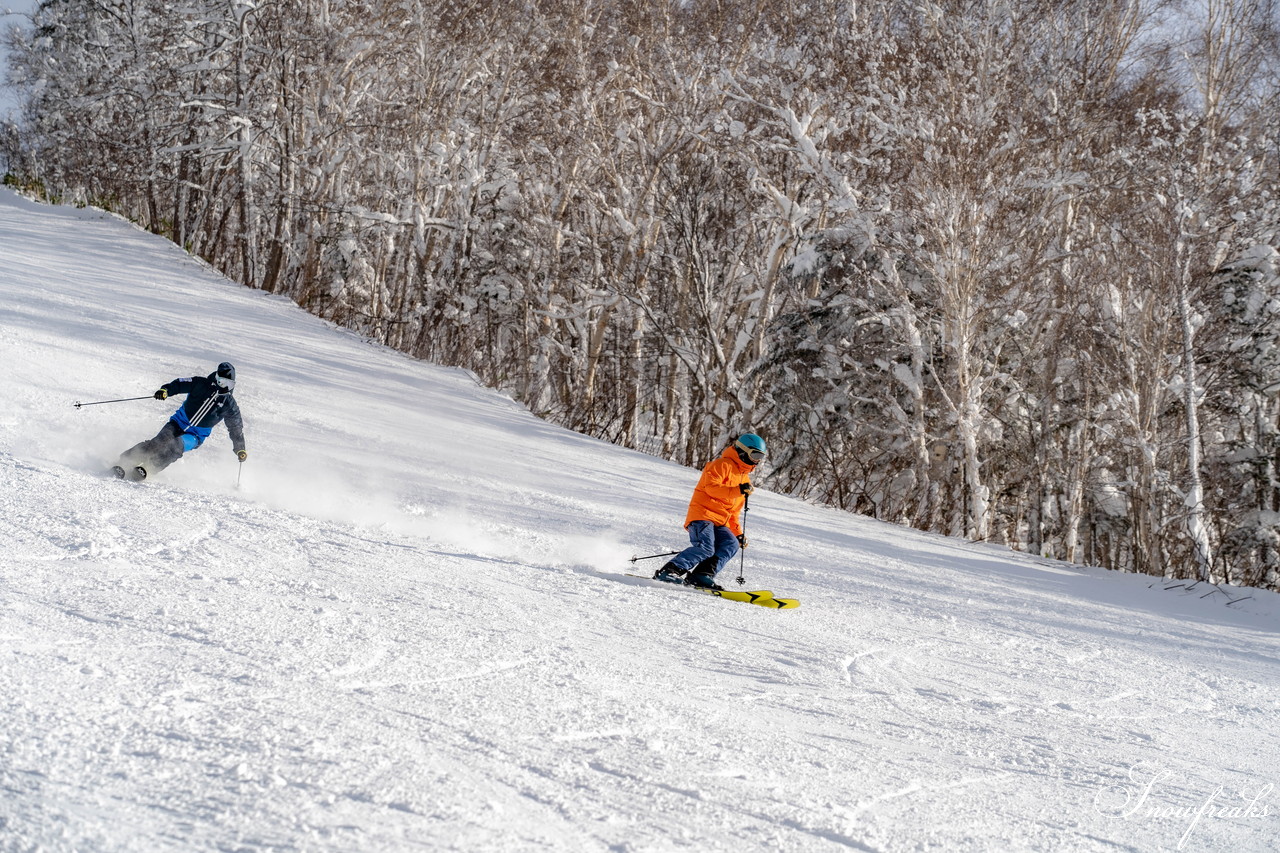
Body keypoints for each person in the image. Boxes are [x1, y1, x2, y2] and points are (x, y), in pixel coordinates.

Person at [654, 433, 766, 590]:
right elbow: (711, 488)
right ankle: (669, 571)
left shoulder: (744, 480)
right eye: (755, 454)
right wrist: (737, 490)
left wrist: (737, 533)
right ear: (742, 451)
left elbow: (734, 512)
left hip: (721, 521)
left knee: (731, 543)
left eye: (761, 456)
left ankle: (702, 575)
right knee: (706, 547)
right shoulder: (722, 465)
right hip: (702, 515)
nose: (757, 460)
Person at [112, 362, 247, 481]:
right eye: (222, 381)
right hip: (177, 423)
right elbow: (180, 383)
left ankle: (147, 468)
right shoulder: (200, 384)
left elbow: (236, 426)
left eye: (229, 384)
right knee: (158, 442)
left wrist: (240, 448)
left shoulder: (229, 404)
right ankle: (125, 461)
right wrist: (165, 390)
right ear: (216, 377)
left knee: (175, 447)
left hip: (195, 436)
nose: (224, 386)